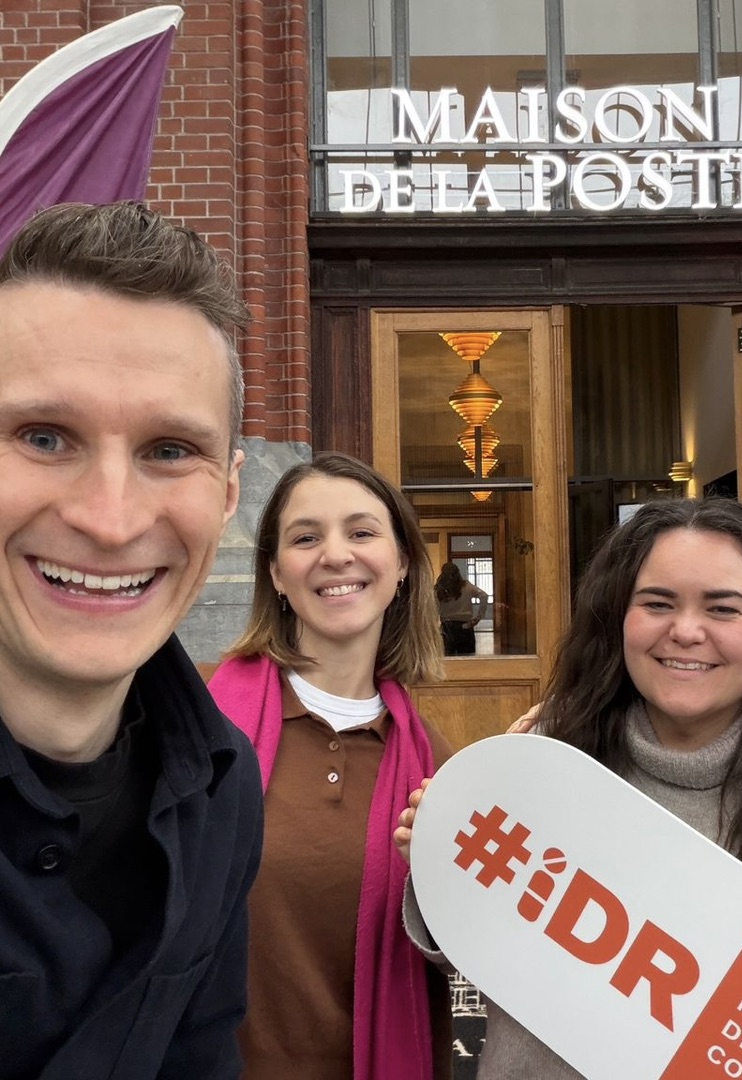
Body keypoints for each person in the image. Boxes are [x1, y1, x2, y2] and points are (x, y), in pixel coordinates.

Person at [397, 498, 742, 1079]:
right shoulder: (546, 768)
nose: (686, 631)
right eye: (657, 603)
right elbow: (490, 968)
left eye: (723, 609)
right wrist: (440, 863)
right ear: (619, 619)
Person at [0, 201, 262, 1079]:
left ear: (228, 495)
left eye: (169, 450)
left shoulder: (224, 789)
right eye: (43, 437)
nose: (110, 522)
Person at [205, 451, 453, 1080]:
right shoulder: (196, 727)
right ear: (277, 575)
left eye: (362, 532)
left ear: (401, 566)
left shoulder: (439, 775)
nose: (335, 555)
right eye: (306, 537)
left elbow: (473, 959)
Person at [435, 561, 488, 655]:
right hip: (465, 626)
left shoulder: (439, 589)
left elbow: (434, 608)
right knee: (467, 660)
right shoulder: (466, 586)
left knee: (447, 659)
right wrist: (479, 617)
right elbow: (483, 595)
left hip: (447, 626)